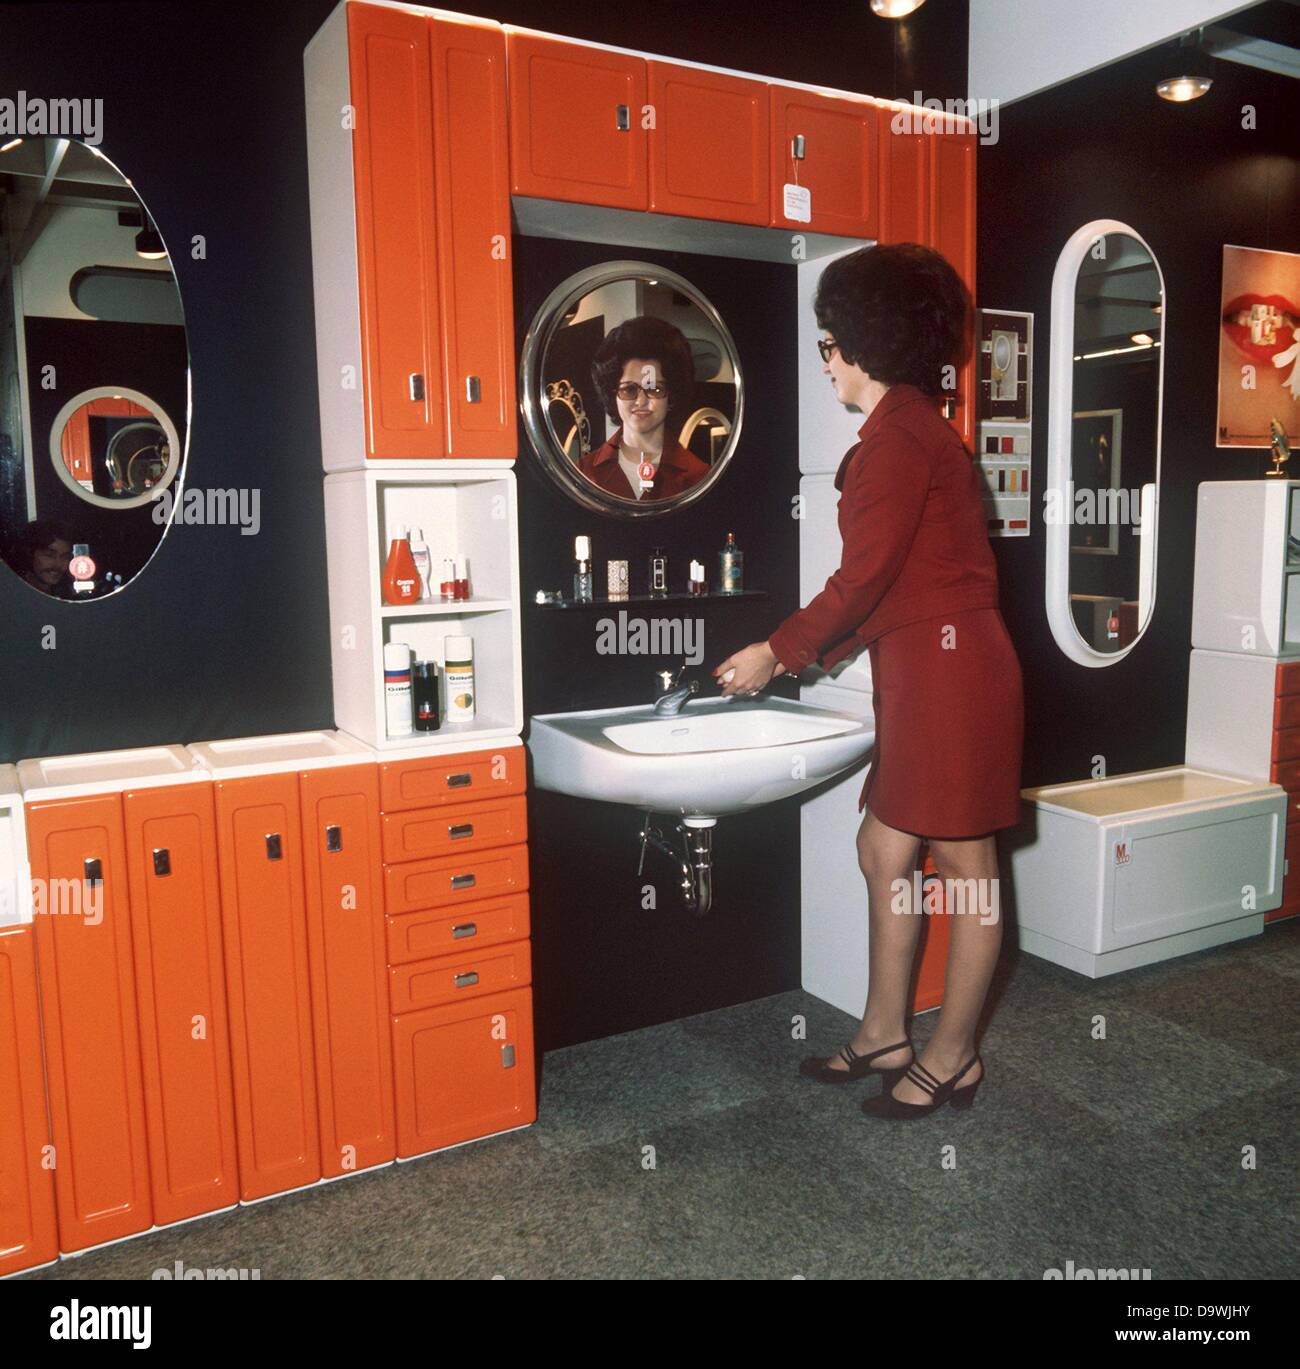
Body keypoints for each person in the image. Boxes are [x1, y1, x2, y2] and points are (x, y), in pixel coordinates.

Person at [712, 243, 1024, 1120]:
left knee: (967, 871)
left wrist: (778, 651)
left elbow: (865, 577)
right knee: (884, 848)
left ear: (862, 342)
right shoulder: (906, 428)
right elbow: (896, 580)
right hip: (928, 666)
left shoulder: (899, 437)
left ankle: (956, 1054)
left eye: (827, 343)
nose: (825, 362)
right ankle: (888, 1030)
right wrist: (823, 650)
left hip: (952, 675)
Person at [580, 316, 710, 501]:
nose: (641, 401)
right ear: (612, 393)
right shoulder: (584, 474)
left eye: (654, 389)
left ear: (671, 394)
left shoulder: (700, 477)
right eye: (629, 389)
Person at [13, 519, 75, 597]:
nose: (58, 564)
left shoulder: (66, 595)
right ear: (29, 554)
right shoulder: (12, 594)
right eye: (49, 555)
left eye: (65, 557)